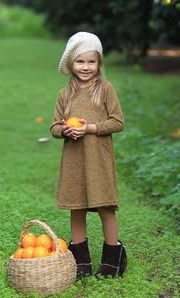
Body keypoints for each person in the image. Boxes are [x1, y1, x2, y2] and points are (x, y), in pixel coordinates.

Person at [49, 31, 127, 278]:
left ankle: (113, 257)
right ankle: (80, 261)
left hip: (98, 159)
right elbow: (53, 128)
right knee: (77, 207)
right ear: (71, 64)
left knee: (105, 207)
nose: (86, 67)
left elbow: (118, 122)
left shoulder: (104, 89)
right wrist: (65, 130)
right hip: (75, 160)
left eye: (91, 61)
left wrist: (90, 128)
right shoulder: (65, 95)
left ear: (99, 63)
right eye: (80, 61)